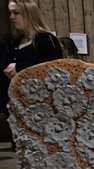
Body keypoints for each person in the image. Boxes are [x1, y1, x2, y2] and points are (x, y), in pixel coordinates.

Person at [3, 0, 63, 152]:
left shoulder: (45, 40)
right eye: (10, 13)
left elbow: (55, 72)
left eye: (16, 13)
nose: (11, 17)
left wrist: (20, 68)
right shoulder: (15, 42)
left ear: (28, 14)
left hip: (44, 111)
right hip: (20, 110)